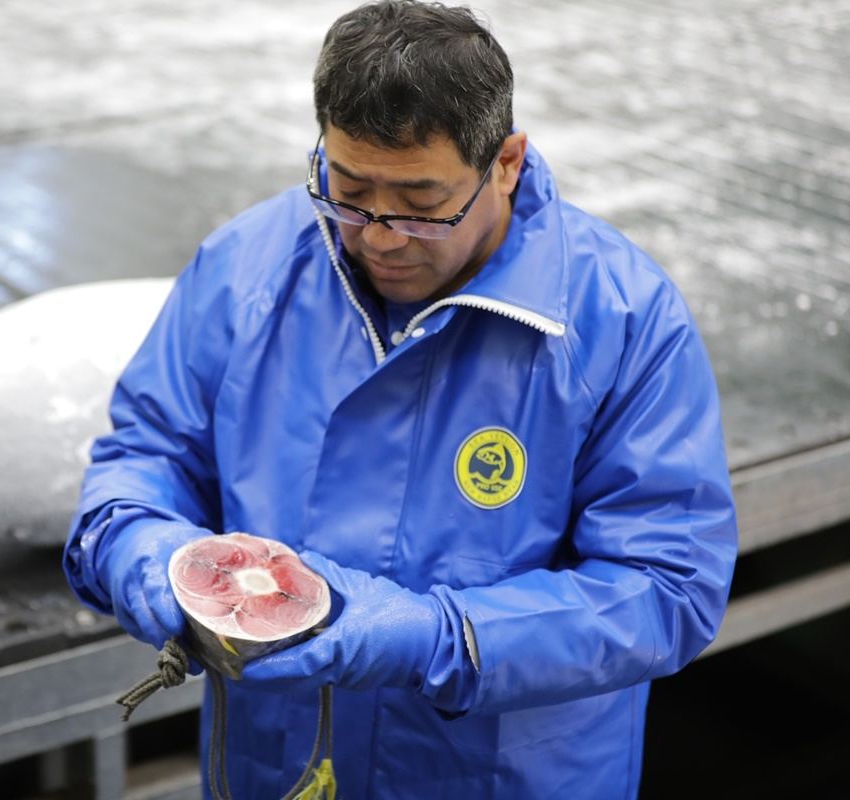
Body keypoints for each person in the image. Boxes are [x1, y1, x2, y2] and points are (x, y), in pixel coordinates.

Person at [63, 1, 738, 796]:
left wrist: (445, 637)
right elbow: (145, 454)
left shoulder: (622, 319)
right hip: (267, 768)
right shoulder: (245, 267)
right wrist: (137, 548)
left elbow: (668, 588)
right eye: (348, 192)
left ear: (507, 162)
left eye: (422, 206)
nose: (380, 235)